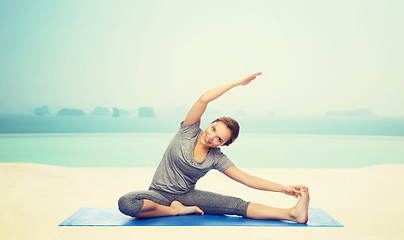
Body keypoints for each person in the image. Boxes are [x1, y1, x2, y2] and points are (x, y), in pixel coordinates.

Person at [118, 72, 310, 223]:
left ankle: (293, 214)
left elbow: (247, 179)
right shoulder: (188, 131)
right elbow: (203, 100)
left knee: (235, 205)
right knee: (127, 203)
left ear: (223, 144)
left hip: (187, 196)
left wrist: (283, 188)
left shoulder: (216, 158)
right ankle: (174, 211)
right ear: (210, 123)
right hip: (157, 194)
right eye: (213, 129)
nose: (211, 137)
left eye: (219, 139)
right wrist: (236, 83)